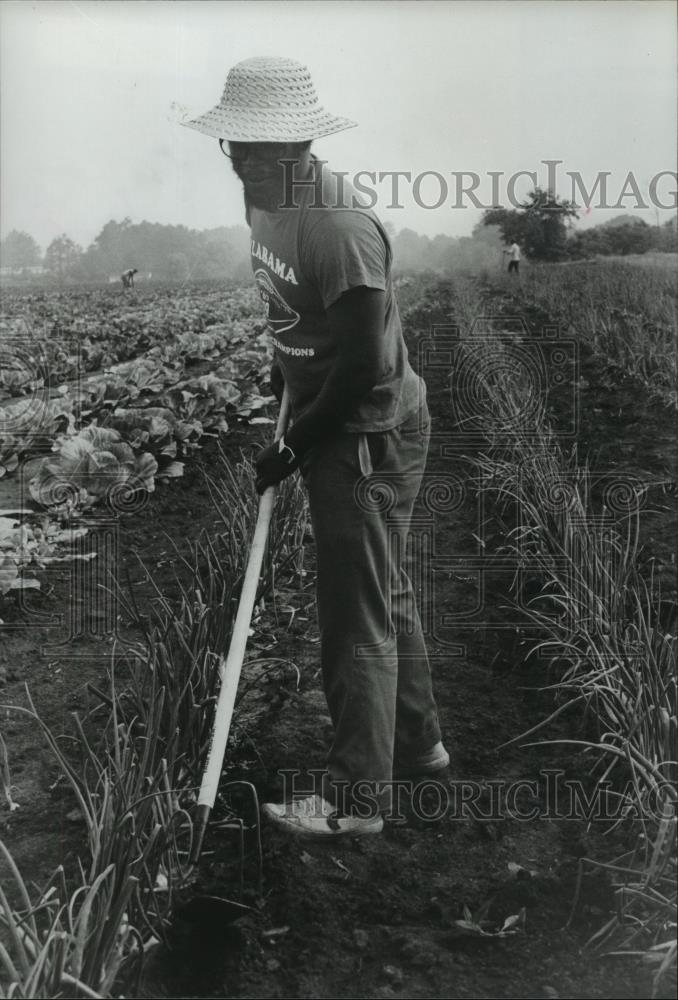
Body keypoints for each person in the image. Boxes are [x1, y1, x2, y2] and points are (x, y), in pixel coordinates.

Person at [184, 57, 448, 838]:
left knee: (354, 611)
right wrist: (283, 378)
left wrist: (296, 444)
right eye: (235, 148)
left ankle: (356, 801)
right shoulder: (261, 200)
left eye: (263, 152)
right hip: (331, 415)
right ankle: (419, 745)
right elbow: (290, 312)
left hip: (365, 432)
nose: (245, 165)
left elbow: (363, 366)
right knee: (384, 592)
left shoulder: (338, 226)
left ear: (301, 146)